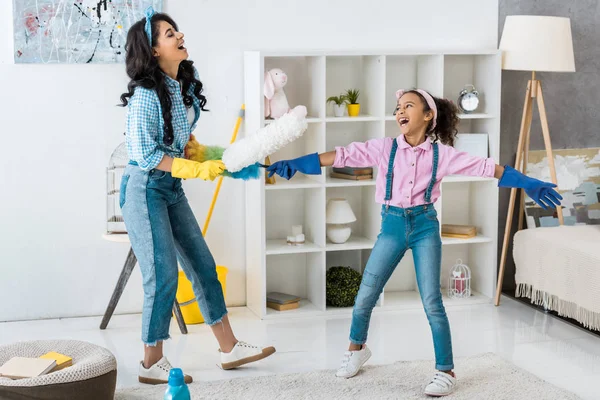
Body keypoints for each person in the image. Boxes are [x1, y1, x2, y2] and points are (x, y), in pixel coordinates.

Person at [266, 88, 561, 397]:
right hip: (391, 225)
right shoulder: (384, 148)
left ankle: (445, 371)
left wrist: (527, 182)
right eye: (397, 107)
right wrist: (296, 163)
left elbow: (487, 167)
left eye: (408, 105)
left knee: (432, 301)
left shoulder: (442, 154)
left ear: (428, 115)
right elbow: (342, 155)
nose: (400, 111)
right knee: (366, 291)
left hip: (424, 227)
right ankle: (356, 349)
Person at [118, 7, 275, 385]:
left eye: (177, 30)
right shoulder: (143, 97)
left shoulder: (183, 82)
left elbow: (177, 136)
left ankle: (229, 348)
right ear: (153, 49)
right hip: (144, 188)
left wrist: (200, 152)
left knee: (203, 265)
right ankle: (150, 361)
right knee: (163, 273)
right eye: (170, 33)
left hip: (170, 186)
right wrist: (196, 169)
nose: (179, 36)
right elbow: (146, 153)